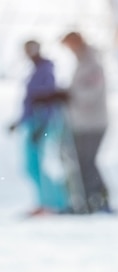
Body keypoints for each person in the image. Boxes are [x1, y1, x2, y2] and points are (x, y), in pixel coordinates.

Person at [9, 41, 70, 216]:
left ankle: (54, 202)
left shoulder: (46, 70)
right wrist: (19, 122)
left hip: (41, 123)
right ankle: (44, 201)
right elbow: (30, 101)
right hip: (32, 122)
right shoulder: (34, 71)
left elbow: (47, 100)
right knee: (31, 166)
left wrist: (42, 126)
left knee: (40, 164)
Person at [60, 32, 113, 213]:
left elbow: (90, 93)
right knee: (81, 164)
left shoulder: (93, 64)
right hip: (80, 122)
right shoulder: (81, 63)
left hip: (94, 123)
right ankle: (87, 202)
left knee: (88, 162)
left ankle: (102, 201)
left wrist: (69, 95)